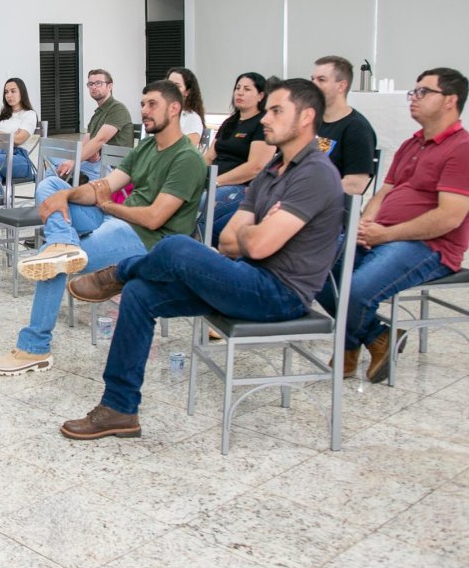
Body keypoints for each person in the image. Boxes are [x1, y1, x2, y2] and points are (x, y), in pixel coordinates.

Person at [62, 78, 343, 440]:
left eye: (276, 111)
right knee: (140, 295)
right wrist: (257, 230)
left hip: (279, 295)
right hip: (245, 276)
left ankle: (120, 271)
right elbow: (229, 241)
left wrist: (253, 235)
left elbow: (255, 247)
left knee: (177, 246)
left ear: (306, 117)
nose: (266, 119)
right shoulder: (274, 169)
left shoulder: (315, 174)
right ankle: (120, 408)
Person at [0, 80, 206, 375]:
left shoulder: (187, 158)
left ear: (175, 108)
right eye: (142, 104)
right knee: (51, 186)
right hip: (115, 219)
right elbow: (105, 186)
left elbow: (156, 218)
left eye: (151, 104)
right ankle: (63, 245)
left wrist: (109, 206)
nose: (143, 111)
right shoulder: (146, 147)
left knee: (52, 264)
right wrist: (66, 194)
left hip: (147, 238)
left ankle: (35, 348)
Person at [317, 67, 469, 383]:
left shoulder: (462, 149)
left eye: (423, 92)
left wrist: (386, 234)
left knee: (356, 290)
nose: (413, 98)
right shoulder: (411, 144)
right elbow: (384, 192)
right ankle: (378, 337)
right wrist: (367, 222)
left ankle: (350, 348)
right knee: (311, 266)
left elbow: (449, 217)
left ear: (450, 100)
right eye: (414, 91)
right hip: (383, 234)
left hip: (428, 245)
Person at [201, 72, 275, 246]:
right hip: (214, 182)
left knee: (200, 207)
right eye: (237, 88)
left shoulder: (262, 124)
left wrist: (216, 182)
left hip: (240, 187)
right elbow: (210, 156)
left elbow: (255, 167)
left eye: (247, 89)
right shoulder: (230, 122)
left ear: (260, 96)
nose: (239, 93)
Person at [311, 55, 378, 195]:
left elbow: (356, 184)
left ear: (341, 86)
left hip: (325, 206)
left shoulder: (356, 128)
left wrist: (305, 191)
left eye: (321, 80)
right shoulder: (312, 121)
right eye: (313, 79)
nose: (313, 85)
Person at [54, 69, 134, 183]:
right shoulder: (97, 113)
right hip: (95, 163)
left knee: (56, 174)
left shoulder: (117, 109)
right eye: (90, 84)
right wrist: (87, 154)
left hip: (111, 168)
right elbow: (86, 142)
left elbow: (99, 140)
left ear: (110, 86)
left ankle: (66, 193)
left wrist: (74, 161)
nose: (93, 87)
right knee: (55, 159)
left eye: (98, 83)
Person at [166, 67, 206, 146]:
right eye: (168, 84)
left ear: (187, 92)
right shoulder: (163, 113)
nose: (170, 89)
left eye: (177, 86)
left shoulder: (192, 119)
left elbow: (187, 152)